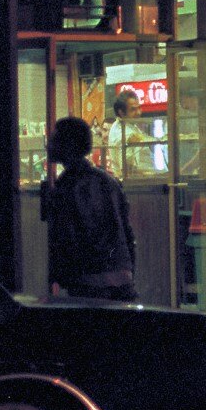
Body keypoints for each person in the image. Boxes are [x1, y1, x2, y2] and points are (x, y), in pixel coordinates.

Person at [43, 116, 137, 301]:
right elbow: (126, 231)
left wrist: (58, 276)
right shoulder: (108, 181)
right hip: (121, 275)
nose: (48, 145)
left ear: (67, 145)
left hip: (88, 280)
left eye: (54, 139)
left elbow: (64, 238)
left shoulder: (65, 186)